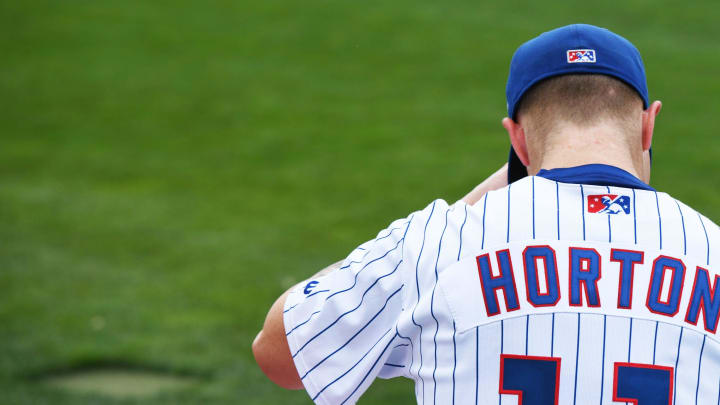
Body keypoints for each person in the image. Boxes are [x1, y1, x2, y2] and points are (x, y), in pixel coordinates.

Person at [252, 24, 720, 404]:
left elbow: (282, 353)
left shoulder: (436, 244)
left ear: (516, 139)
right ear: (647, 124)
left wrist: (494, 186)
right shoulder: (713, 252)